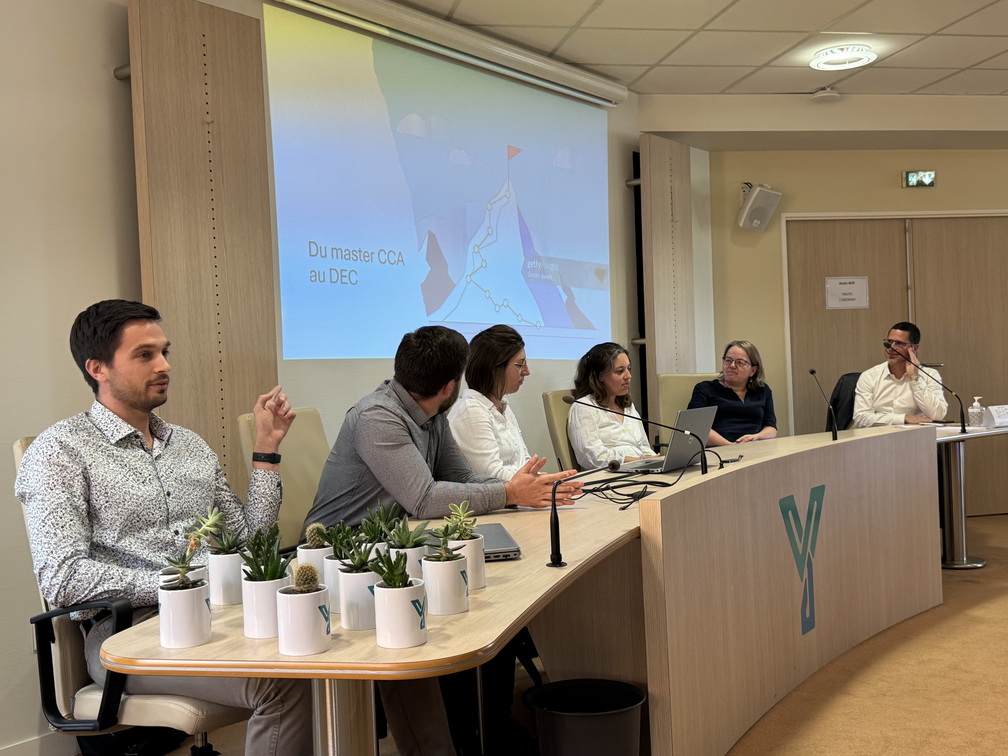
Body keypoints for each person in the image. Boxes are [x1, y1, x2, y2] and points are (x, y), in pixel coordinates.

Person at [15, 300, 311, 756]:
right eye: (145, 355)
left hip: (218, 613)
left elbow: (250, 542)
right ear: (98, 368)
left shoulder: (189, 445)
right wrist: (179, 583)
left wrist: (266, 451)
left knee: (318, 649)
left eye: (164, 352)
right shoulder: (61, 451)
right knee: (285, 683)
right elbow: (63, 578)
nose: (164, 365)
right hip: (127, 633)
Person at [305, 324, 579, 529]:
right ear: (449, 387)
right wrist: (509, 492)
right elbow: (425, 499)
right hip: (339, 549)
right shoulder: (377, 417)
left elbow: (462, 478)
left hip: (393, 538)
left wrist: (528, 487)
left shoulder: (434, 413)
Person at [448, 324, 532, 478]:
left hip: (519, 491)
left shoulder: (503, 406)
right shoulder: (471, 410)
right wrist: (535, 480)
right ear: (495, 368)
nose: (527, 371)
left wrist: (544, 479)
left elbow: (525, 461)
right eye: (520, 364)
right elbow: (492, 477)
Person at [566, 342, 656, 469]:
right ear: (600, 376)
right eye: (620, 371)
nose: (628, 376)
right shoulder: (584, 407)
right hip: (609, 476)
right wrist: (638, 462)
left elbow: (643, 447)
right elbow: (592, 457)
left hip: (639, 470)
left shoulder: (628, 407)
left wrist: (655, 460)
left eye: (629, 369)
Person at [853, 321, 948, 427]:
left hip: (915, 434)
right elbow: (861, 418)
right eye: (889, 342)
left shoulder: (930, 375)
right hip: (879, 434)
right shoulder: (869, 376)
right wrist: (903, 419)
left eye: (899, 343)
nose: (891, 348)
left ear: (914, 348)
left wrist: (914, 378)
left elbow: (937, 415)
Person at [688, 340, 777, 446]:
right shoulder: (705, 389)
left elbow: (771, 428)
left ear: (753, 370)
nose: (732, 365)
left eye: (740, 362)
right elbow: (697, 427)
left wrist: (756, 437)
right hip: (718, 450)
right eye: (728, 360)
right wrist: (731, 446)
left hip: (755, 448)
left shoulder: (763, 390)